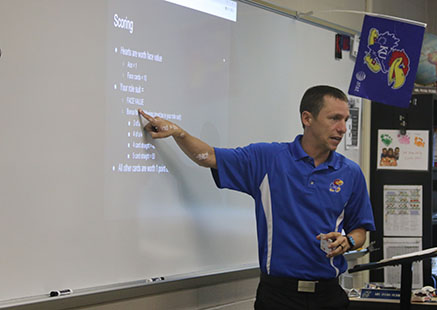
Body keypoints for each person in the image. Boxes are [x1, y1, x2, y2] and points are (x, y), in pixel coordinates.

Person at [138, 85, 375, 310]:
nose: (343, 128)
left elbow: (360, 230)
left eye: (346, 120)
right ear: (307, 118)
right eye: (334, 118)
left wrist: (349, 242)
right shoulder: (268, 158)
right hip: (279, 296)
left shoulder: (350, 173)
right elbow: (208, 156)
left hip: (329, 296)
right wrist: (178, 133)